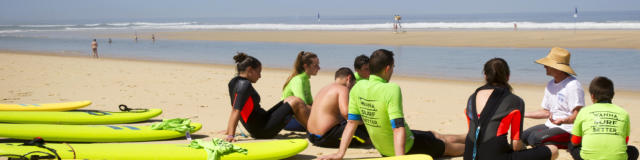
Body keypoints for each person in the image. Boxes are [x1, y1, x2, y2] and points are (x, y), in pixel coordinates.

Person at [319, 49, 465, 160]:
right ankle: (474, 145)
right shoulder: (391, 89)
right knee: (446, 146)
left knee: (435, 134)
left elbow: (351, 123)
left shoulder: (358, 88)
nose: (393, 71)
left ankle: (470, 136)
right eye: (393, 67)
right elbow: (398, 128)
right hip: (405, 147)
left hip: (385, 146)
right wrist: (400, 158)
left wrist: (340, 153)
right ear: (387, 68)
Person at [464, 58, 558, 160]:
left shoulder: (472, 97)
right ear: (508, 77)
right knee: (553, 149)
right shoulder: (515, 101)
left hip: (469, 155)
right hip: (497, 156)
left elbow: (473, 133)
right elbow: (515, 144)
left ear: (485, 76)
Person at [225, 52, 312, 142]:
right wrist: (231, 135)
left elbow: (234, 106)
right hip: (262, 130)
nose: (260, 76)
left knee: (290, 99)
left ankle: (312, 125)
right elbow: (236, 110)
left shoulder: (233, 82)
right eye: (258, 72)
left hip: (262, 121)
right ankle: (313, 131)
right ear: (250, 70)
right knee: (296, 102)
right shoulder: (244, 85)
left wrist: (228, 130)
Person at [522, 47, 585, 149]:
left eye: (548, 65)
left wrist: (563, 121)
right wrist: (523, 114)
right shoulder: (550, 84)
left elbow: (577, 115)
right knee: (521, 137)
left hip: (568, 130)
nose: (544, 67)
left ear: (558, 68)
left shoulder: (573, 85)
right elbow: (546, 112)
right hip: (551, 126)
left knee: (535, 138)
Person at [569, 76, 638, 160]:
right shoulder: (623, 113)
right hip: (617, 158)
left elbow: (575, 141)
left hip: (588, 158)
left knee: (571, 145)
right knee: (634, 151)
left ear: (592, 96)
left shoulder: (584, 111)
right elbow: (625, 141)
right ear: (612, 95)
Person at [307, 67, 370, 148]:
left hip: (311, 136)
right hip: (324, 137)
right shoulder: (343, 89)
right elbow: (346, 113)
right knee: (361, 129)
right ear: (349, 78)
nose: (351, 89)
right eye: (352, 85)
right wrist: (363, 122)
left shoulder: (324, 88)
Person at [281, 51, 320, 131]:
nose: (319, 68)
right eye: (315, 65)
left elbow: (310, 103)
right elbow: (303, 106)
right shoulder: (298, 80)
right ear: (306, 66)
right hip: (289, 120)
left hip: (299, 116)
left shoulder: (306, 80)